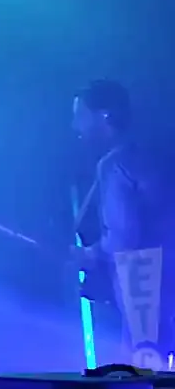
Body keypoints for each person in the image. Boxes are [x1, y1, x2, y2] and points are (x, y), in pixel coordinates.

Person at [70, 80, 173, 368]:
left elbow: (123, 238)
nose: (75, 127)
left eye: (80, 116)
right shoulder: (151, 156)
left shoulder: (114, 166)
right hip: (164, 279)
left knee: (144, 366)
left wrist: (89, 254)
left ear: (105, 117)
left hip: (142, 280)